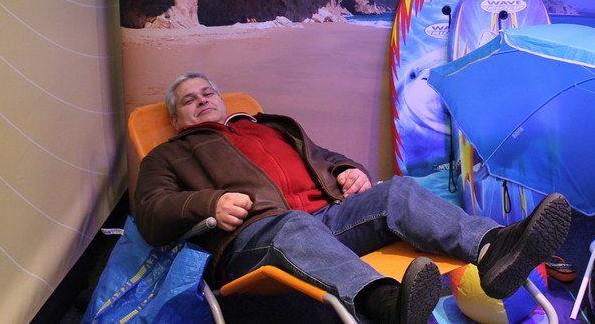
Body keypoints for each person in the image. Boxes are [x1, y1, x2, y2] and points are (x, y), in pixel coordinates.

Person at [134, 72, 572, 324]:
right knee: (294, 225)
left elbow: (324, 157)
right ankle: (384, 304)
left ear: (220, 98)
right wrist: (208, 205)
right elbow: (150, 212)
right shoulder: (169, 155)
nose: (202, 101)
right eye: (189, 100)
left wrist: (347, 170)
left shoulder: (267, 126)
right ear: (175, 118)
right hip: (256, 240)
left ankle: (494, 248)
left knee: (396, 191)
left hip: (327, 220)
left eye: (207, 93)